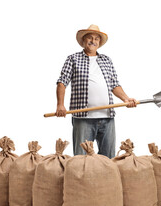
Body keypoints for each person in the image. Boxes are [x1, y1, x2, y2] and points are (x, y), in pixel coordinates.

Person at [55, 24, 136, 158]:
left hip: (107, 116)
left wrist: (126, 99)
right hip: (83, 118)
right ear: (83, 41)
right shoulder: (73, 59)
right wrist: (60, 105)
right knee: (81, 159)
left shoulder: (106, 60)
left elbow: (114, 84)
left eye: (96, 39)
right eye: (90, 38)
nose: (93, 41)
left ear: (99, 42)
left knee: (108, 159)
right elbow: (62, 82)